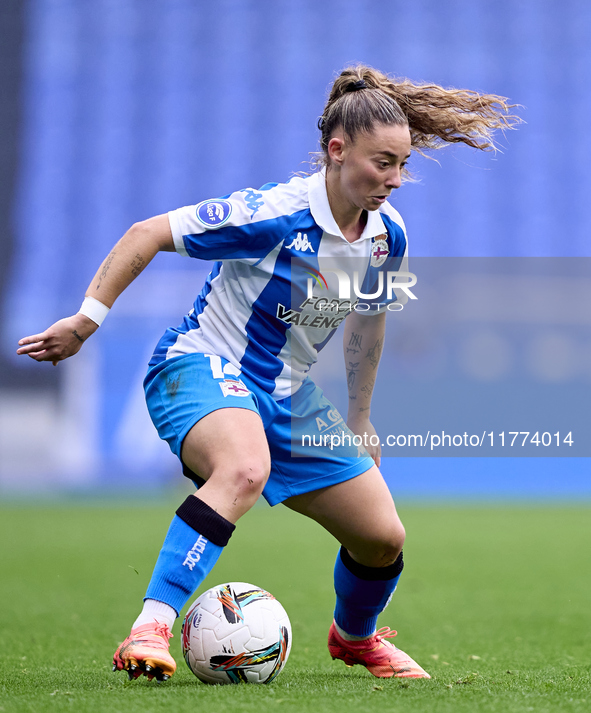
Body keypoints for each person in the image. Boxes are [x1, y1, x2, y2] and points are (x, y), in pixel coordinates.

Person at [17, 65, 518, 682]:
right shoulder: (274, 213)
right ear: (337, 152)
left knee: (384, 538)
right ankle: (150, 627)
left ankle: (354, 638)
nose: (393, 180)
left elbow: (369, 323)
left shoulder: (388, 237)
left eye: (401, 165)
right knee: (243, 469)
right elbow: (146, 233)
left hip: (289, 397)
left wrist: (359, 417)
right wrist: (86, 320)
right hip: (203, 364)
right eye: (381, 163)